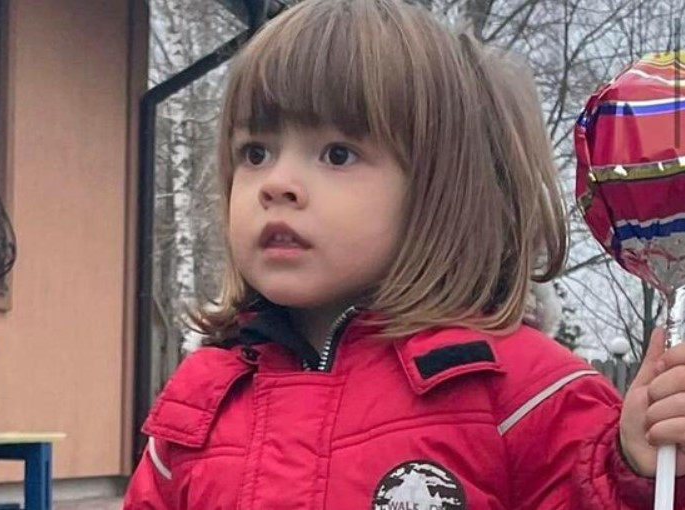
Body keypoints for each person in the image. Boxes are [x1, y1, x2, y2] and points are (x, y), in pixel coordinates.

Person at [123, 0, 685, 508]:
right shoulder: (199, 402)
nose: (277, 184)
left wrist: (638, 474)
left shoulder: (527, 396)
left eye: (337, 154)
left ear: (441, 190)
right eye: (255, 153)